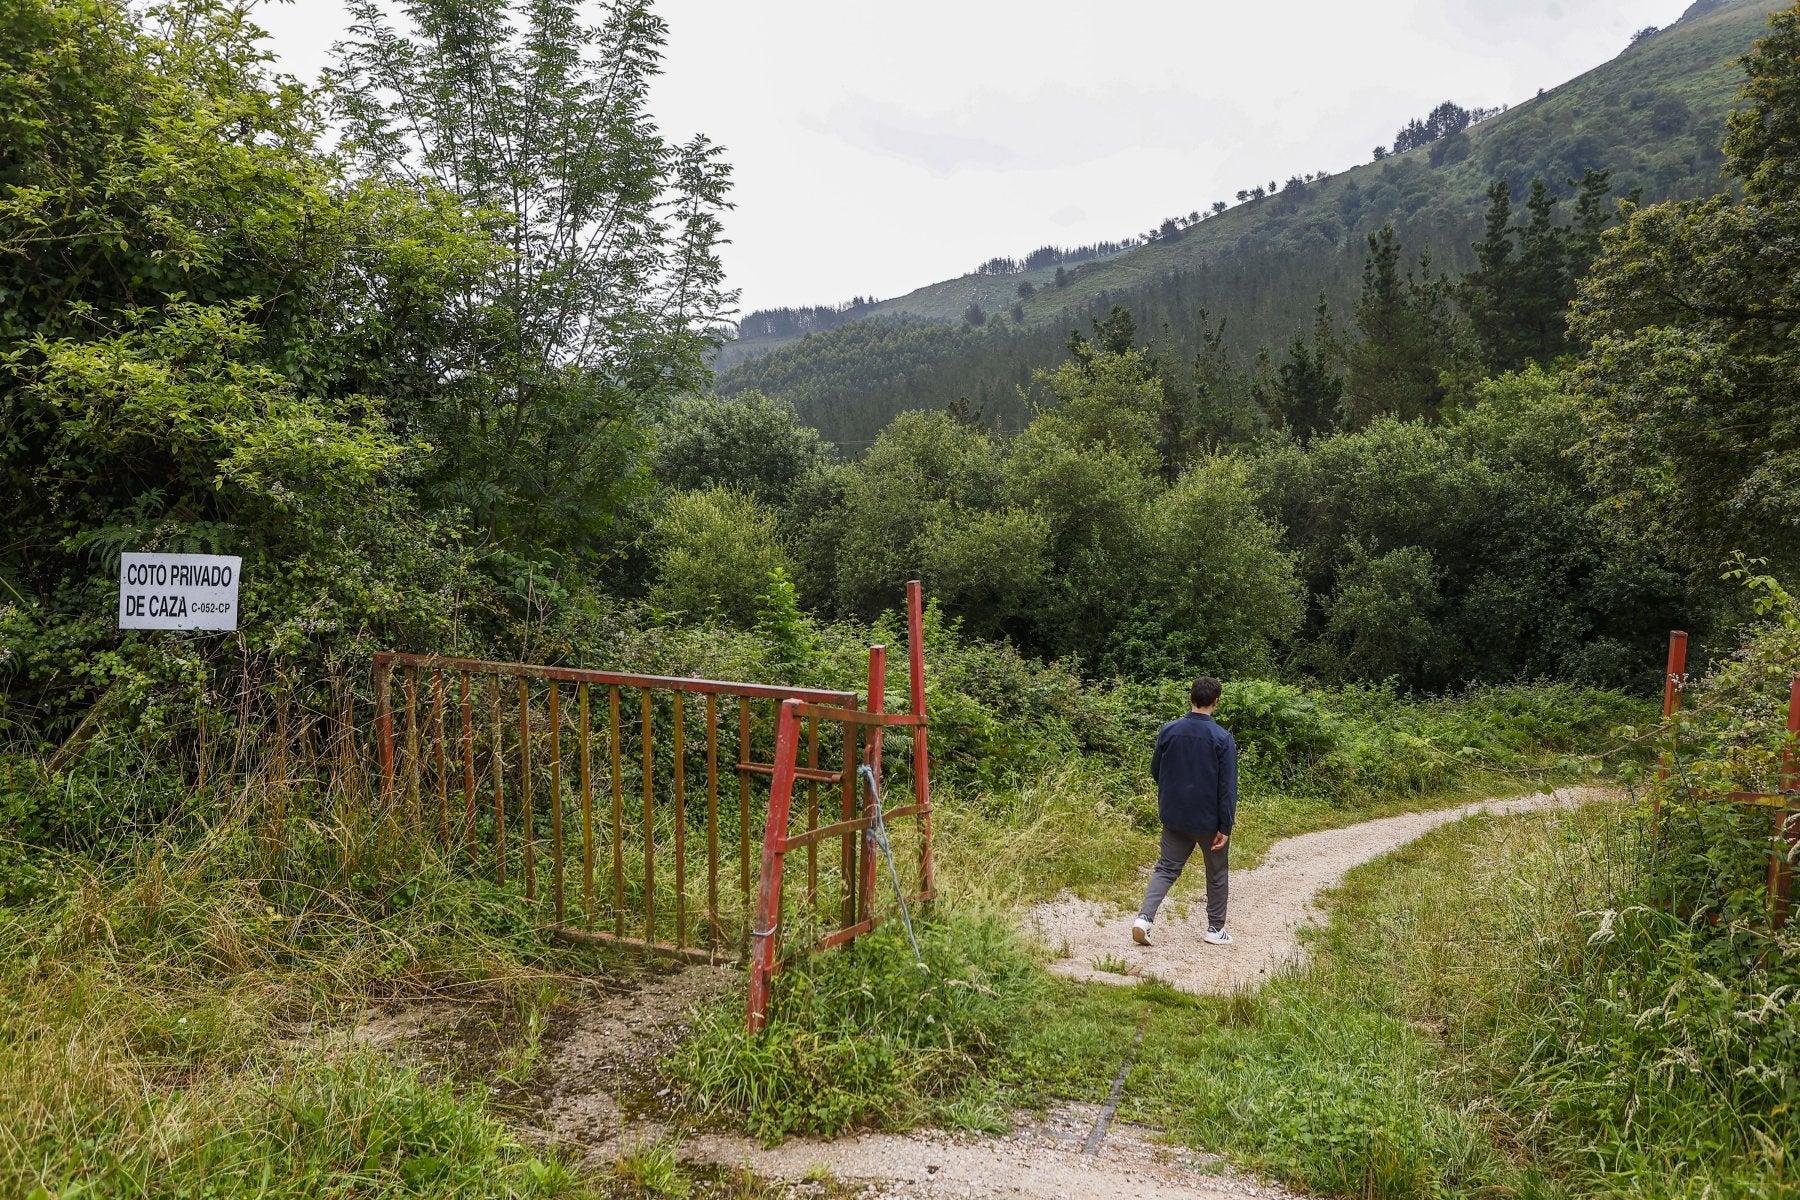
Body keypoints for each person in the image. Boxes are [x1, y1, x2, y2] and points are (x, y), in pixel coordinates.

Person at [1132, 675, 1236, 947]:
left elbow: (1157, 770)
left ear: (1190, 697)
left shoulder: (1168, 730)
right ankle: (1215, 929)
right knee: (1216, 873)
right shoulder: (1222, 739)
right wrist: (1225, 826)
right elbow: (1227, 788)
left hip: (1175, 816)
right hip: (1209, 822)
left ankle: (1144, 919)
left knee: (1166, 868)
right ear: (1216, 702)